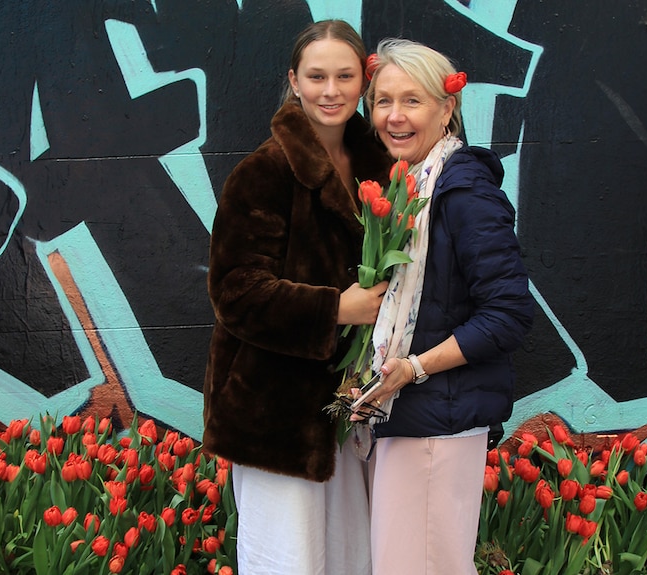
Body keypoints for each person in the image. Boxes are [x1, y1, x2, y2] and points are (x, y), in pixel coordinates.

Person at [202, 20, 392, 575]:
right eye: (316, 76)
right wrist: (335, 308)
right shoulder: (263, 172)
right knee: (288, 559)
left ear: (364, 81)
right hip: (274, 408)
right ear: (294, 80)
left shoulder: (382, 166)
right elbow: (234, 292)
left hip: (352, 402)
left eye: (344, 75)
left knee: (353, 558)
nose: (330, 90)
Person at [360, 38, 535, 574]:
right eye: (383, 101)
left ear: (447, 107)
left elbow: (508, 314)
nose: (394, 116)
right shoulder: (414, 186)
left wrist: (413, 368)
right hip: (413, 419)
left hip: (436, 426)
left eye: (412, 101)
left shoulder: (462, 192)